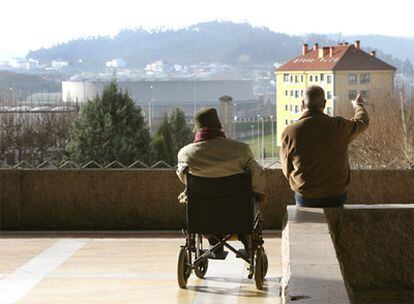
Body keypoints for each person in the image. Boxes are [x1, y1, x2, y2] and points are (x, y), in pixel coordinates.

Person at [176, 107, 266, 256]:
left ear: (197, 129)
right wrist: (257, 192)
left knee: (203, 209)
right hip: (238, 213)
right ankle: (246, 238)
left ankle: (214, 240)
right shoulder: (241, 150)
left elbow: (184, 178)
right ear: (219, 127)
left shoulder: (186, 153)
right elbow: (257, 173)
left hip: (203, 215)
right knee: (251, 201)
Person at [280, 85, 369, 207]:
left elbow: (286, 168)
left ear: (302, 104)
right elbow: (362, 122)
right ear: (325, 103)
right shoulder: (338, 126)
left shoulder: (290, 132)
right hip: (336, 194)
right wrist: (358, 105)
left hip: (306, 195)